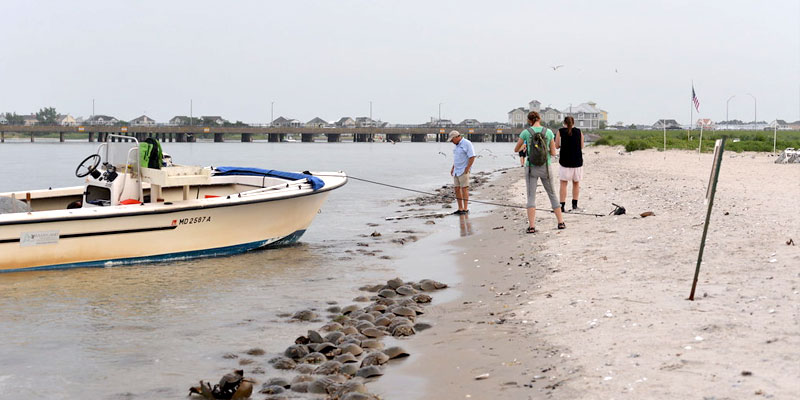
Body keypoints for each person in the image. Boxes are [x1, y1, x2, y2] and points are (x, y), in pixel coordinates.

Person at [513, 111, 565, 233]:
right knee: (552, 194)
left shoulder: (526, 132)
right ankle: (560, 222)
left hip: (530, 168)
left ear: (529, 120)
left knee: (531, 196)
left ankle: (531, 226)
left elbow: (516, 149)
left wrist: (525, 147)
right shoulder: (548, 132)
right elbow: (553, 153)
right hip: (545, 167)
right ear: (539, 119)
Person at [555, 116, 584, 213]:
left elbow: (556, 145)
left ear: (564, 123)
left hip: (565, 161)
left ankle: (562, 206)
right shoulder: (579, 132)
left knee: (563, 183)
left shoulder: (560, 131)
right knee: (576, 183)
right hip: (577, 161)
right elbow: (582, 146)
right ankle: (574, 205)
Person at [448, 130, 475, 215]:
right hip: (456, 170)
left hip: (463, 170)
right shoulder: (456, 146)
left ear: (457, 137)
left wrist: (467, 168)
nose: (452, 142)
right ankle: (460, 208)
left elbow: (472, 156)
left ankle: (465, 208)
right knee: (457, 189)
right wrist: (453, 168)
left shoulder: (467, 143)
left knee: (464, 188)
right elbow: (457, 158)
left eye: (452, 140)